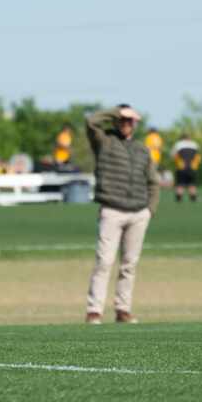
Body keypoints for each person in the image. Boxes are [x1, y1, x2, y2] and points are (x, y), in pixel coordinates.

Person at [85, 104, 159, 325]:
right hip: (112, 209)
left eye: (130, 120)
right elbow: (91, 122)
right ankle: (94, 310)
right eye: (123, 120)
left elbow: (153, 182)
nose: (126, 124)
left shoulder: (142, 149)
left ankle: (123, 309)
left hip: (138, 212)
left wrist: (149, 210)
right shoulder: (104, 141)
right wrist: (117, 111)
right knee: (104, 261)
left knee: (129, 264)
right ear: (116, 120)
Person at [172, 134, 201, 203]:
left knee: (180, 183)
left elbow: (173, 155)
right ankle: (193, 198)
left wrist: (177, 162)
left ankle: (179, 199)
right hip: (192, 167)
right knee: (192, 183)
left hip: (181, 166)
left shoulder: (178, 144)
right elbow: (198, 156)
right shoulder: (194, 144)